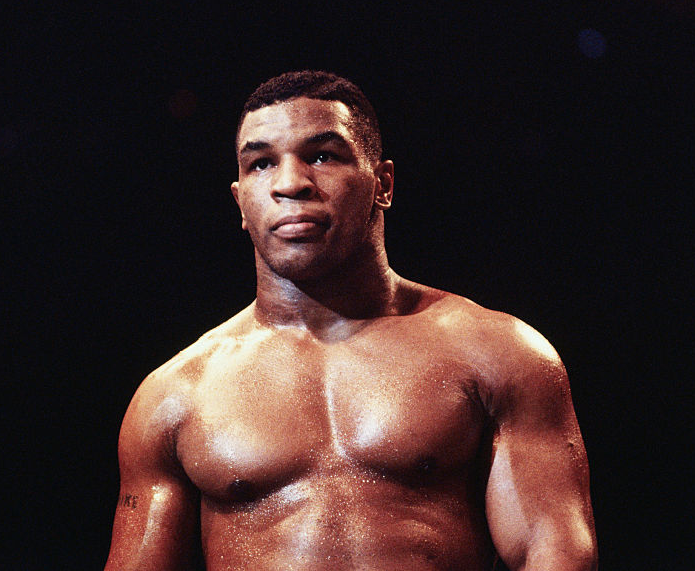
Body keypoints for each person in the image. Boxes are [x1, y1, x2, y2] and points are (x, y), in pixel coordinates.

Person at [104, 71, 597, 570]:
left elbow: (556, 552)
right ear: (240, 203)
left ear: (382, 183)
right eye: (260, 163)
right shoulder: (175, 396)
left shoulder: (496, 354)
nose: (290, 183)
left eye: (322, 155)